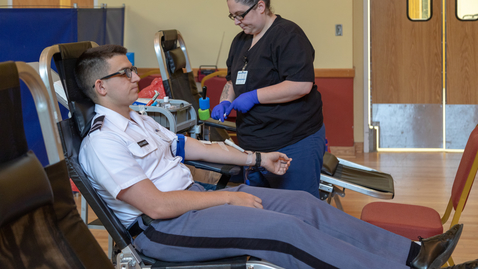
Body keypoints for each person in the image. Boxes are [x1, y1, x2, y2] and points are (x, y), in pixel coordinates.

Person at [76, 44, 478, 269]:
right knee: (284, 232)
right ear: (101, 86)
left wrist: (256, 159)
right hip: (163, 229)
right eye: (125, 73)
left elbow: (190, 147)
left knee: (303, 203)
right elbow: (157, 206)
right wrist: (228, 195)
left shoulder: (139, 119)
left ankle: (414, 255)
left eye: (132, 70)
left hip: (194, 200)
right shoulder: (102, 141)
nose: (136, 77)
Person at [211, 0, 325, 198]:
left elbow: (301, 85)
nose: (237, 22)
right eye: (233, 16)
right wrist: (225, 101)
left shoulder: (288, 35)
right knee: (263, 211)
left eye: (240, 15)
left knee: (298, 210)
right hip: (254, 148)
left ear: (260, 6)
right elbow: (232, 80)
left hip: (292, 141)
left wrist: (255, 96)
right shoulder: (241, 41)